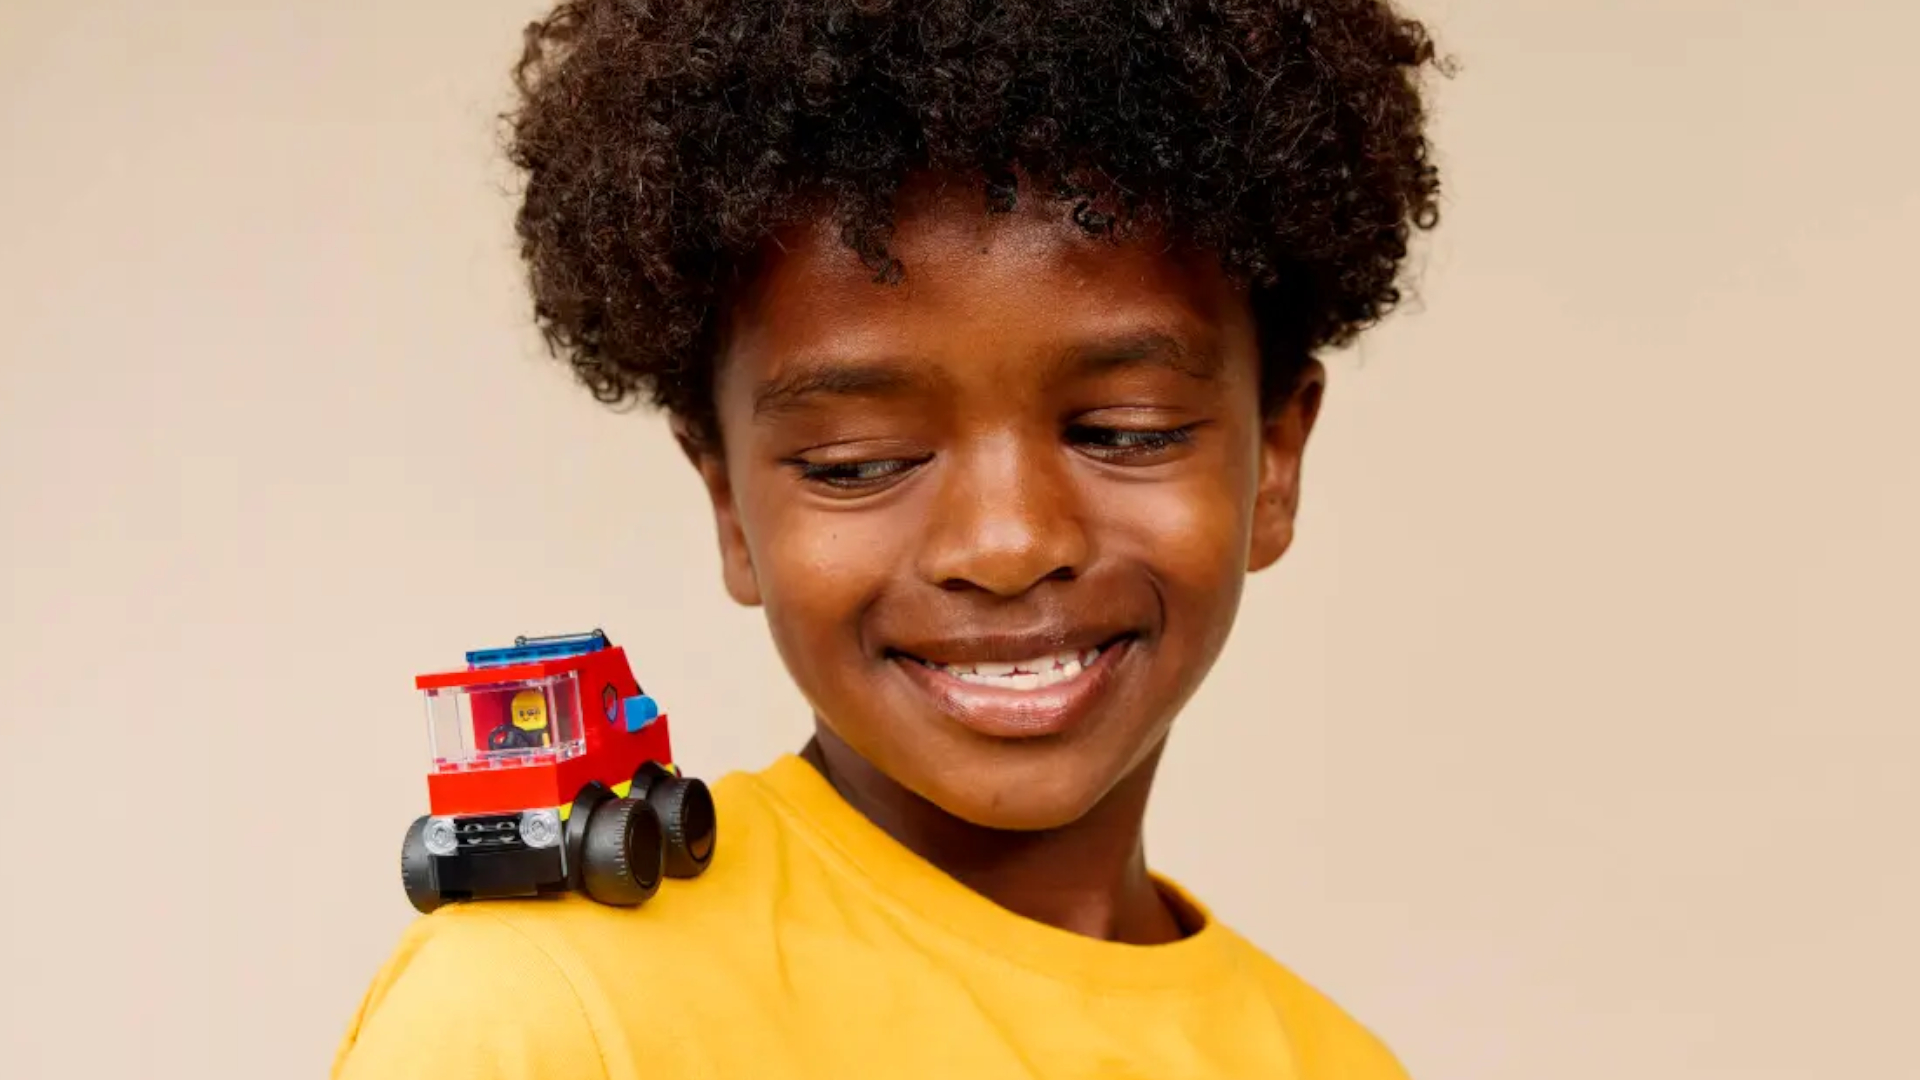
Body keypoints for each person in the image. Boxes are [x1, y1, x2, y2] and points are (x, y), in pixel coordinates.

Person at [333, 0, 1445, 1076]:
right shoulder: (548, 1016)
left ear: (1275, 465)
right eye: (858, 462)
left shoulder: (1334, 1064)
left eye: (1125, 432)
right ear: (729, 505)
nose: (1009, 544)